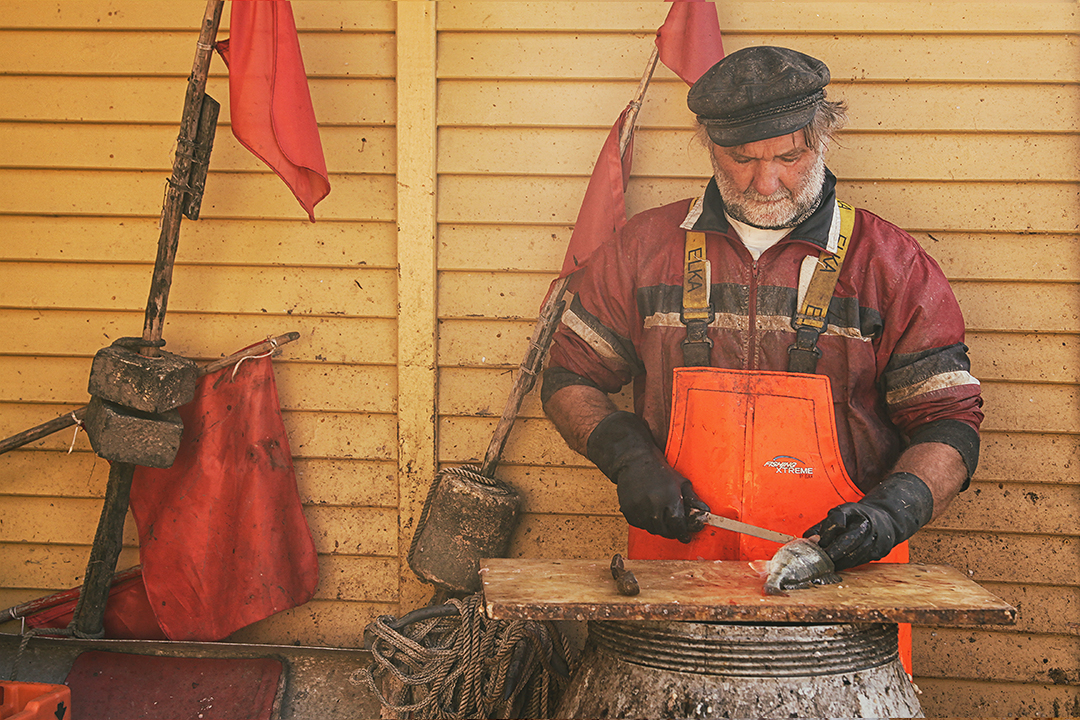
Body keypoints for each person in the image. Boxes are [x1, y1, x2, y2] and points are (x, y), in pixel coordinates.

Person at [541, 46, 983, 572]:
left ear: (822, 142)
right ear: (709, 147)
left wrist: (889, 514)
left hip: (844, 576)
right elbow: (569, 377)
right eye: (743, 159)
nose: (766, 183)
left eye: (789, 158)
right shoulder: (642, 249)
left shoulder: (890, 264)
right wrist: (629, 458)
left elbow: (949, 422)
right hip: (676, 570)